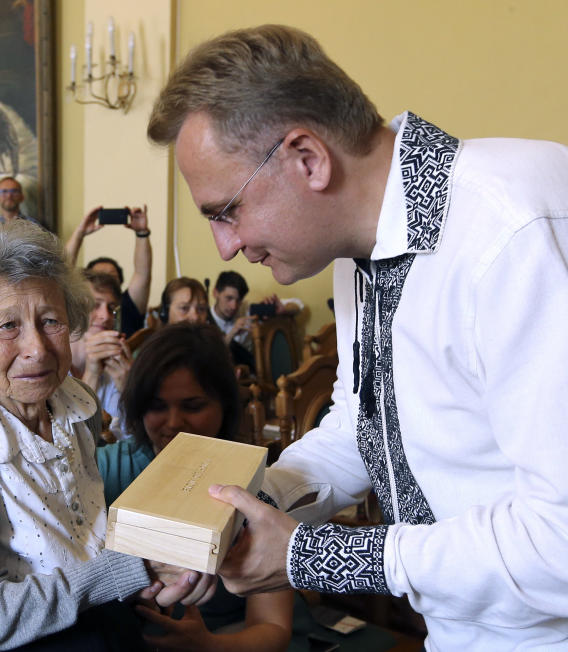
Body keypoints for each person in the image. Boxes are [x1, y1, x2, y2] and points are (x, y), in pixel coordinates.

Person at [147, 24, 568, 649]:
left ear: (308, 159)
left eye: (226, 210)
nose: (225, 246)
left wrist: (316, 557)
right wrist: (242, 510)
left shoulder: (512, 229)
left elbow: (560, 538)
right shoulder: (356, 243)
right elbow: (361, 422)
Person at [0, 221, 214, 651]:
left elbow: (84, 545)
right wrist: (128, 569)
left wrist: (153, 576)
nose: (38, 349)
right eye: (8, 326)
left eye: (51, 321)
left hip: (93, 617)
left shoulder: (76, 402)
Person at [96, 322, 293, 650]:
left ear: (225, 407)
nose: (173, 423)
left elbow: (272, 626)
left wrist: (208, 646)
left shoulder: (253, 482)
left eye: (192, 406)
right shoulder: (107, 469)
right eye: (157, 407)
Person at [65, 206, 152, 337]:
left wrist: (142, 233)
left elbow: (142, 274)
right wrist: (79, 232)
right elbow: (61, 273)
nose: (105, 316)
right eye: (95, 304)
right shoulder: (71, 313)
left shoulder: (125, 307)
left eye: (111, 277)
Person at [69, 270, 132, 440]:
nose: (105, 316)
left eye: (111, 308)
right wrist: (92, 374)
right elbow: (68, 438)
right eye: (95, 305)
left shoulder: (116, 366)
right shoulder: (51, 364)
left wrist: (129, 388)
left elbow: (124, 439)